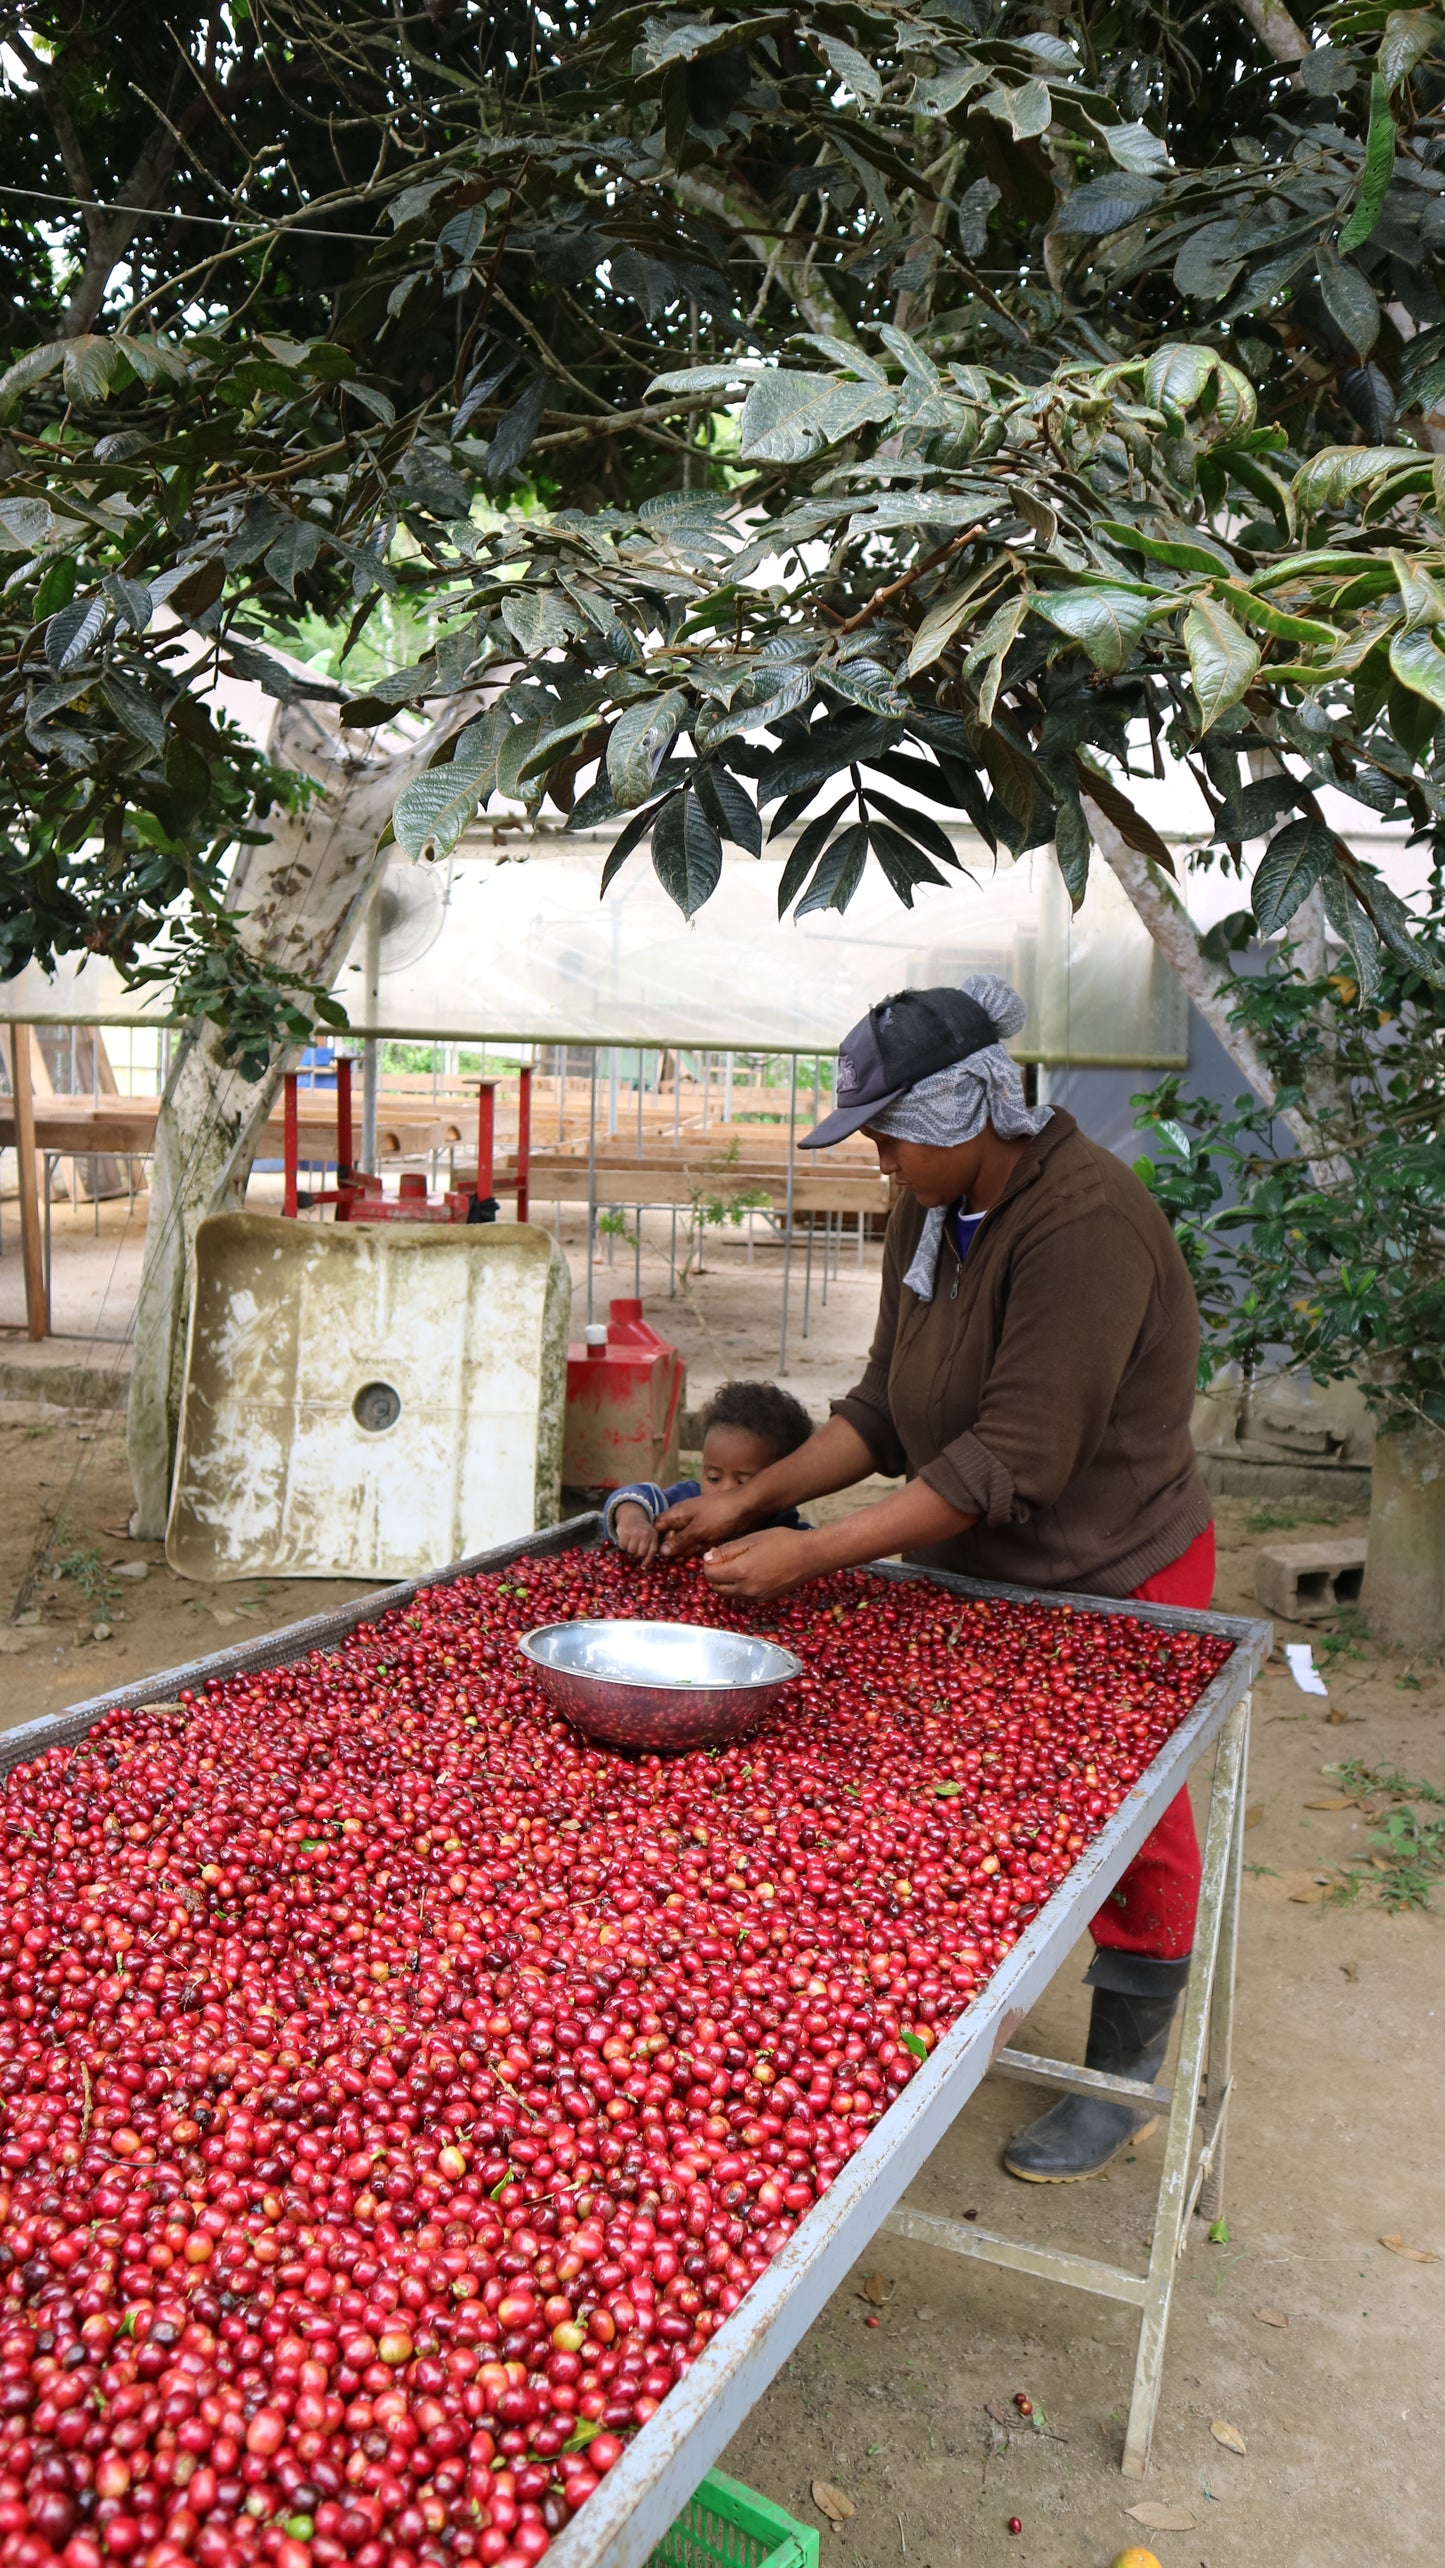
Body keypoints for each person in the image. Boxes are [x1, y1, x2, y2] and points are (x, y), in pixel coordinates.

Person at [656, 973, 1214, 2183]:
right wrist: (750, 1499)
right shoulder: (930, 1206)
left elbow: (1016, 1454)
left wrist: (812, 1549)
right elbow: (885, 1409)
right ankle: (954, 2009)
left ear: (965, 1114)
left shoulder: (1085, 1228)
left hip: (1112, 1561)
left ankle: (1119, 2075)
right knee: (966, 1798)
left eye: (889, 1133)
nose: (877, 1159)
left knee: (1130, 1815)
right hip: (969, 1557)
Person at [604, 1378, 814, 1565]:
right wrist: (634, 1520)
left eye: (743, 1482)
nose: (725, 1491)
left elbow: (816, 1553)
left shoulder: (788, 1532)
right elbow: (633, 1497)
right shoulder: (685, 1504)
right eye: (714, 1478)